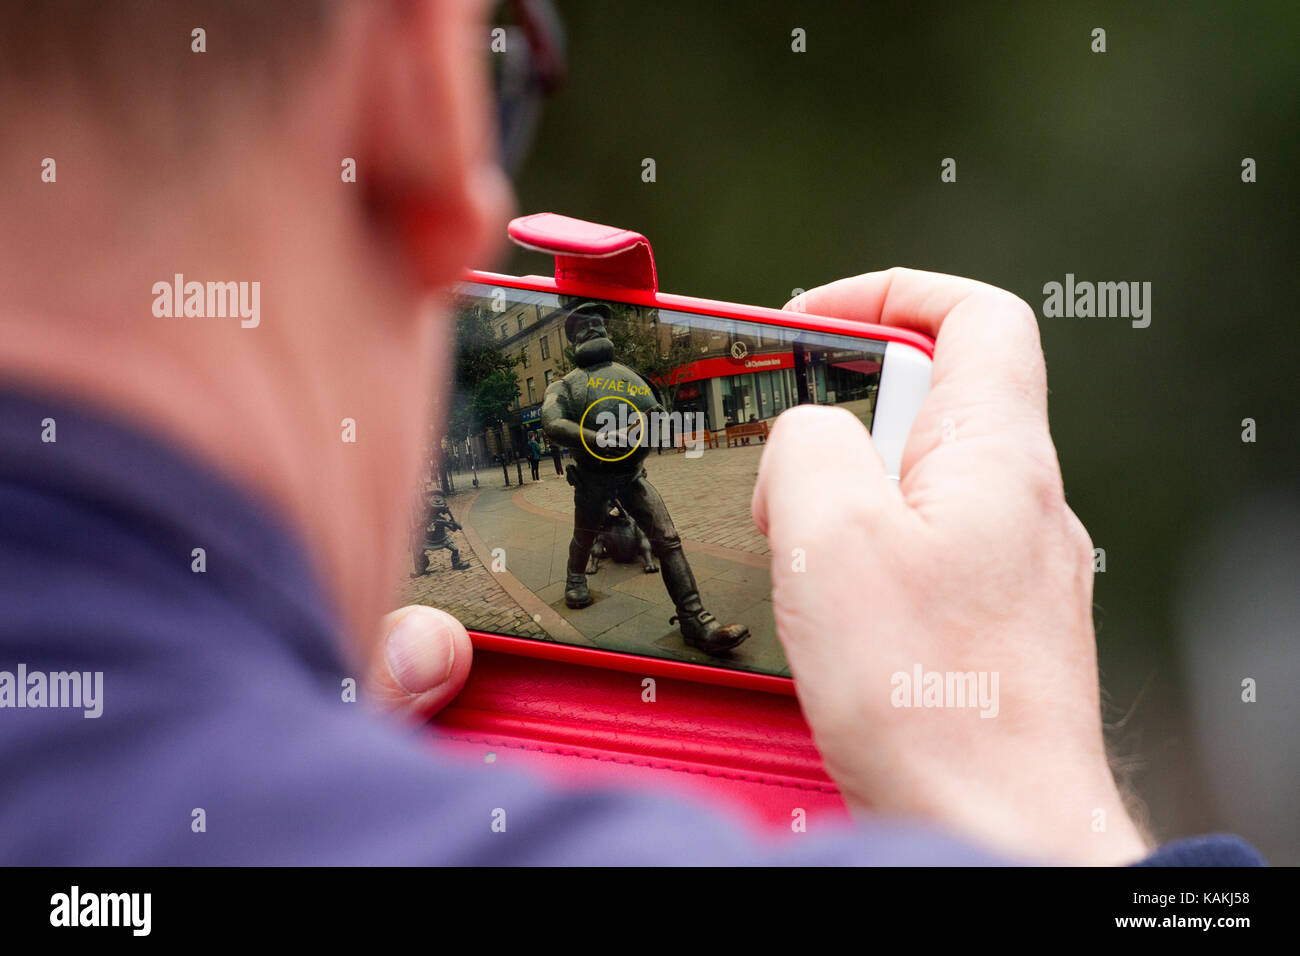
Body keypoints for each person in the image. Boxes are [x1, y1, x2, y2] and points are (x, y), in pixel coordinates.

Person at [0, 2, 1261, 866]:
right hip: (597, 493)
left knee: (647, 542)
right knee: (594, 549)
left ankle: (674, 612)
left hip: (618, 491)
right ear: (417, 94)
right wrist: (1039, 813)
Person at [542, 302, 750, 654]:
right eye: (584, 325)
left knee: (667, 539)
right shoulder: (564, 386)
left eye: (599, 323)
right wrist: (596, 438)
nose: (594, 328)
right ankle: (575, 578)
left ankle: (694, 619)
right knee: (585, 533)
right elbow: (553, 423)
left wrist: (651, 427)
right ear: (573, 339)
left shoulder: (628, 377)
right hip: (592, 478)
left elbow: (657, 416)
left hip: (632, 476)